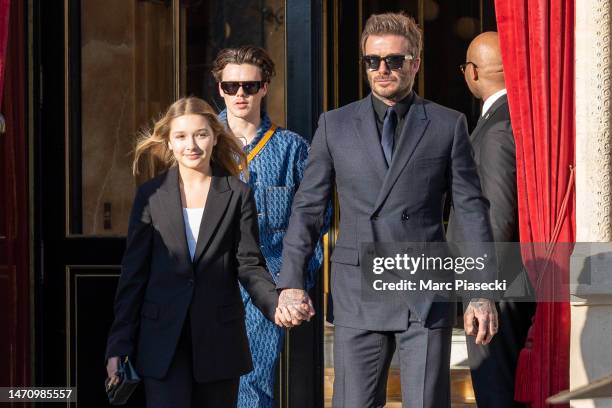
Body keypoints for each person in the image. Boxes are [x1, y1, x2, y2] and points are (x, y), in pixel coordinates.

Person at [276, 12, 499, 407]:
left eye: (394, 60)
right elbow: (308, 208)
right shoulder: (334, 125)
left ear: (414, 63)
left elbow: (471, 211)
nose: (382, 70)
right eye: (372, 61)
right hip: (358, 290)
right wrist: (291, 280)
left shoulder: (448, 125)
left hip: (424, 290)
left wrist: (481, 291)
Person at [104, 97, 308, 408]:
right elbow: (134, 276)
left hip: (219, 341)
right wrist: (118, 345)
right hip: (161, 342)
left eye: (201, 134)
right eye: (181, 136)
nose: (192, 145)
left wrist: (275, 303)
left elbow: (249, 265)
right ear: (169, 143)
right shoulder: (150, 196)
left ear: (215, 136)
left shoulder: (238, 194)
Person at [212, 46, 328, 408]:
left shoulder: (293, 148)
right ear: (220, 88)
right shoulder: (200, 143)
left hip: (263, 288)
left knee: (251, 386)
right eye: (231, 87)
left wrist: (294, 284)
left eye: (249, 85)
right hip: (206, 282)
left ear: (265, 87)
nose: (240, 94)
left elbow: (314, 220)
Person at [447, 31, 536, 408]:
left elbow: (496, 214)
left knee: (495, 390)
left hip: (495, 286)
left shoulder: (498, 129)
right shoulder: (514, 119)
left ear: (474, 72)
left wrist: (481, 290)